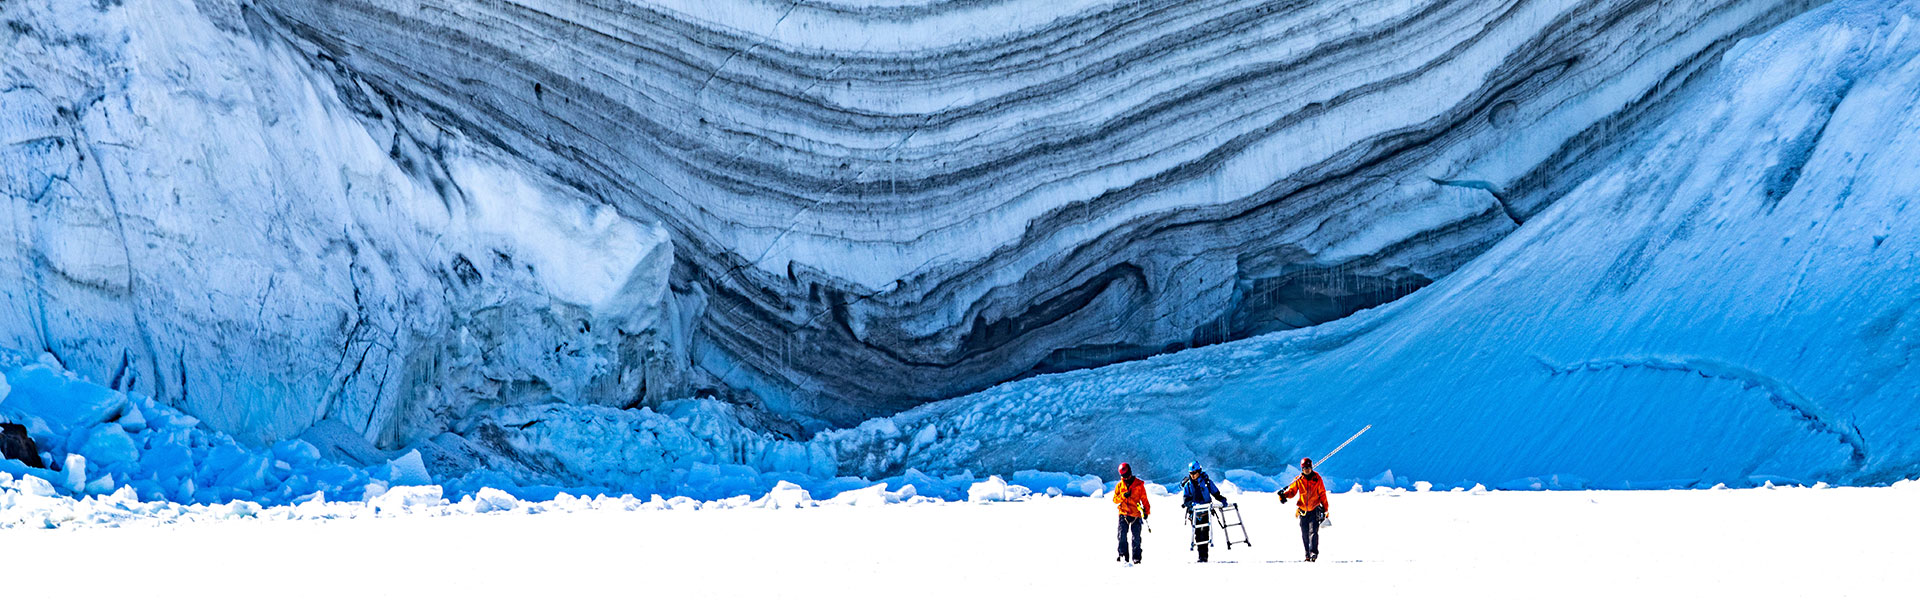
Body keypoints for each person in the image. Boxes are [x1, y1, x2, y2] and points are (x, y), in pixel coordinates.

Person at [1276, 457, 1330, 562]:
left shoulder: (1317, 479)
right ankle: (1307, 554)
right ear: (1302, 468)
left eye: (1309, 468)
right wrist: (1284, 495)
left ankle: (1313, 553)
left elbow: (1322, 494)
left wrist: (1325, 509)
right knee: (1304, 533)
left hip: (1314, 509)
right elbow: (1292, 492)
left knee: (1313, 532)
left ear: (1311, 467)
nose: (1307, 470)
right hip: (1302, 511)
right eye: (1305, 468)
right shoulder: (1298, 479)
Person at [1180, 461, 1230, 562]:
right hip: (1195, 513)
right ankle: (1200, 556)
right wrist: (1192, 505)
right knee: (1198, 533)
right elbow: (1186, 500)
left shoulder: (1206, 482)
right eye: (1191, 473)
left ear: (1199, 471)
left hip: (1206, 511)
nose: (1193, 475)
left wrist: (1223, 500)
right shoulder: (1188, 485)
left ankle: (1204, 556)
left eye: (1194, 473)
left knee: (1205, 532)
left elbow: (1216, 493)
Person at [1112, 462, 1151, 564]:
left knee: (1136, 538)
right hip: (1123, 513)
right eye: (1123, 476)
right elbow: (1115, 500)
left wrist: (1146, 512)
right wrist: (1123, 496)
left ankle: (1136, 558)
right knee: (1121, 536)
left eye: (1126, 475)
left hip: (1136, 515)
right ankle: (1123, 555)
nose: (1125, 478)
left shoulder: (1139, 485)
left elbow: (1144, 500)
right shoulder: (1120, 486)